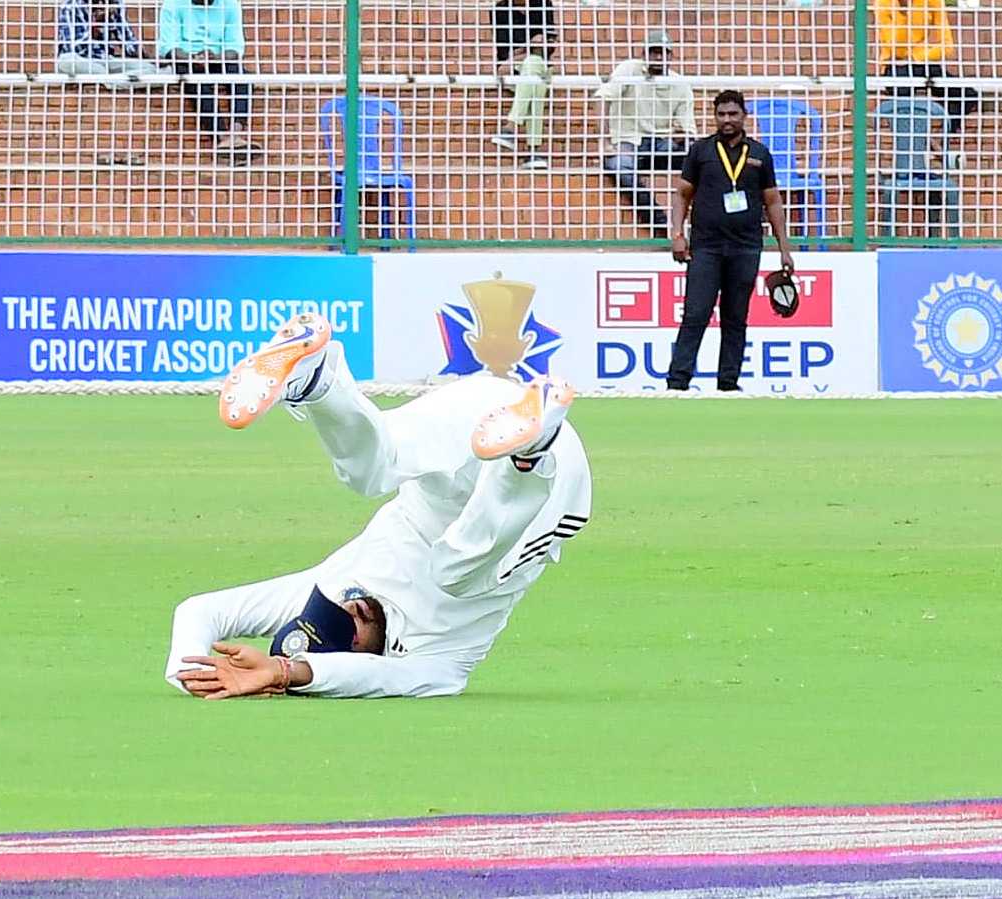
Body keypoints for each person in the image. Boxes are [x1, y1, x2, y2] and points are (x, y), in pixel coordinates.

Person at [167, 312, 592, 699]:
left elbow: (199, 610)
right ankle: (527, 456)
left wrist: (188, 676)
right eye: (348, 629)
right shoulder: (438, 663)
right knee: (454, 572)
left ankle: (315, 383)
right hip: (551, 480)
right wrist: (286, 673)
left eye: (332, 609)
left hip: (487, 415)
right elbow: (373, 678)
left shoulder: (330, 589)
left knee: (375, 470)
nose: (350, 607)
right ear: (358, 653)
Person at [665, 90, 795, 393]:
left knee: (736, 317)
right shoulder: (700, 152)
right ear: (714, 117)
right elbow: (682, 195)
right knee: (695, 313)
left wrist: (784, 249)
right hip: (706, 247)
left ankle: (728, 384)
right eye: (721, 114)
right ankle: (677, 383)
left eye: (733, 114)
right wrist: (677, 234)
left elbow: (773, 202)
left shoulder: (760, 155)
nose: (727, 120)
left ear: (744, 116)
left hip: (746, 247)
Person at [595, 30, 698, 233]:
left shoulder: (680, 84)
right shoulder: (629, 69)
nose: (658, 57)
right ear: (644, 53)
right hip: (627, 140)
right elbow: (602, 98)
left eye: (663, 52)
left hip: (659, 144)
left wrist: (683, 136)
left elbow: (689, 131)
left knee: (700, 158)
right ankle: (658, 220)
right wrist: (605, 141)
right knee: (620, 167)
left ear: (671, 56)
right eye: (654, 52)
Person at [157, 0, 262, 164]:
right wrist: (193, 59)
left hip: (218, 59)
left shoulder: (230, 5)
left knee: (243, 79)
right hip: (185, 59)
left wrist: (215, 58)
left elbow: (235, 49)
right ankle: (222, 138)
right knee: (195, 82)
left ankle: (235, 136)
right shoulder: (173, 4)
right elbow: (168, 48)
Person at [873, 0, 978, 149]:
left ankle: (938, 142)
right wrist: (905, 12)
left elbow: (947, 45)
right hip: (894, 65)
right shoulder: (883, 2)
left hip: (922, 62)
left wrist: (917, 58)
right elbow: (896, 49)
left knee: (967, 95)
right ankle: (915, 145)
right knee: (903, 98)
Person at [489, 29, 559, 170]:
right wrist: (527, 50)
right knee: (535, 79)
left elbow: (552, 46)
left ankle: (511, 127)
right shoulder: (503, 11)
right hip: (517, 72)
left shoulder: (542, 8)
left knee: (534, 72)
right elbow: (502, 69)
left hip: (538, 69)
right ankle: (533, 149)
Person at [55, 0, 162, 84]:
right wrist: (98, 23)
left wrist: (150, 60)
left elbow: (128, 41)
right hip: (78, 60)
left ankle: (111, 81)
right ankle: (115, 81)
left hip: (106, 60)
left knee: (150, 69)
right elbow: (72, 47)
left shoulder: (114, 3)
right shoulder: (70, 5)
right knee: (71, 62)